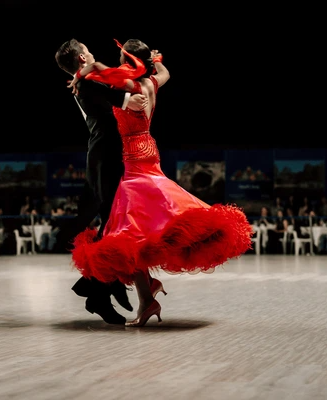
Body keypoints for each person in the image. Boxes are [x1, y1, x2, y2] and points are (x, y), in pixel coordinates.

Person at [69, 39, 252, 327]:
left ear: (129, 62)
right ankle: (145, 293)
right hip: (149, 149)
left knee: (129, 231)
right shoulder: (152, 82)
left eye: (122, 57)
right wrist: (156, 62)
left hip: (131, 155)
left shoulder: (128, 85)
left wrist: (82, 73)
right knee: (147, 220)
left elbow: (102, 76)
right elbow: (164, 73)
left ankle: (143, 296)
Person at [55, 38, 150, 324]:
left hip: (107, 155)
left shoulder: (86, 79)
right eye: (87, 51)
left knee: (115, 224)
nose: (92, 52)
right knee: (112, 225)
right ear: (82, 58)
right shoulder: (85, 84)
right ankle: (98, 292)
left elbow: (104, 77)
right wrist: (126, 100)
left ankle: (106, 285)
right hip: (104, 157)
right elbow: (101, 89)